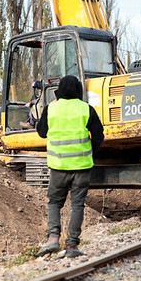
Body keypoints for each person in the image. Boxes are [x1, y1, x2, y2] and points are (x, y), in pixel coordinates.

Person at [35, 75, 104, 258]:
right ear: (78, 90)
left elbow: (42, 132)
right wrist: (90, 150)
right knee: (77, 205)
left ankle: (53, 238)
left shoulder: (51, 109)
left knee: (55, 203)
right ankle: (72, 246)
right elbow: (99, 135)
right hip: (82, 167)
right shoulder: (86, 109)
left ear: (60, 91)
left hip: (58, 166)